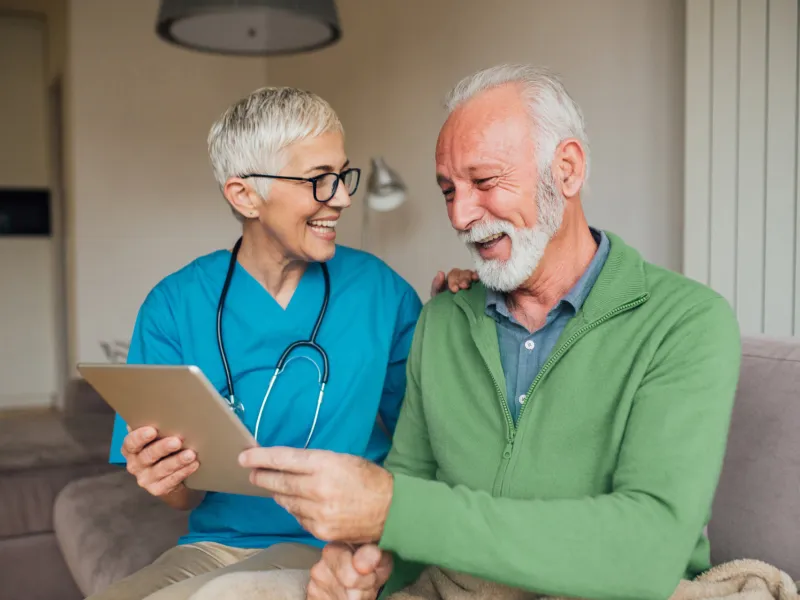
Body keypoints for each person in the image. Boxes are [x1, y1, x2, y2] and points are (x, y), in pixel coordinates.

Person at [234, 64, 742, 600]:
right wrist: (367, 564)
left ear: (566, 170)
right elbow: (409, 498)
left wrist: (393, 509)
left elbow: (648, 548)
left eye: (484, 182)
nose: (460, 214)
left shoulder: (686, 322)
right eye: (448, 189)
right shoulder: (444, 319)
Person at [89, 86, 471, 600]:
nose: (343, 197)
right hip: (216, 545)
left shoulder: (380, 292)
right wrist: (163, 477)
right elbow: (184, 498)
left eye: (341, 175)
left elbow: (439, 441)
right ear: (244, 194)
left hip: (338, 546)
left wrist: (466, 317)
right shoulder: (173, 307)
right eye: (319, 181)